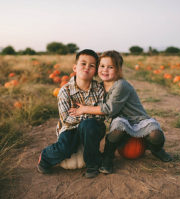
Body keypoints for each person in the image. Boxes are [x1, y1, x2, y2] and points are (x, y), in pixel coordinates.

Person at [69, 50, 172, 174]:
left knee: (156, 134)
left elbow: (109, 109)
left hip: (138, 120)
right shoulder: (99, 87)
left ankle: (156, 148)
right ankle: (108, 156)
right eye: (102, 66)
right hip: (121, 120)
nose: (105, 70)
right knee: (118, 127)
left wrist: (84, 109)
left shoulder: (121, 85)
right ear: (97, 68)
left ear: (118, 70)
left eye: (110, 67)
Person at [37, 49, 106, 178]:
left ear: (96, 71)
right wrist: (91, 111)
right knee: (65, 148)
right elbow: (67, 118)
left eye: (92, 66)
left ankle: (93, 164)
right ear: (75, 67)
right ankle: (45, 158)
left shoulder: (99, 90)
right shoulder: (65, 91)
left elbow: (101, 115)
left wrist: (83, 109)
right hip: (70, 128)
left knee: (89, 125)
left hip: (92, 128)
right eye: (83, 64)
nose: (87, 68)